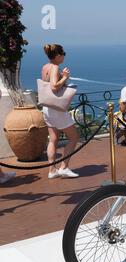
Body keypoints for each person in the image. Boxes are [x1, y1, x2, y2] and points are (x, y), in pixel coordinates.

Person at [41, 44, 80, 179]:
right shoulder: (55, 67)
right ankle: (64, 167)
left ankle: (52, 170)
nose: (64, 56)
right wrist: (64, 77)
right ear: (58, 56)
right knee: (74, 137)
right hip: (57, 109)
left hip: (47, 107)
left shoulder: (45, 67)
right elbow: (53, 86)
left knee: (53, 139)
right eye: (63, 53)